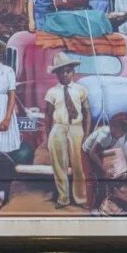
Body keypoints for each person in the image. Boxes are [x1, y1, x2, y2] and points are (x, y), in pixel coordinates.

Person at [45, 53, 90, 209]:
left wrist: (87, 134)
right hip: (58, 127)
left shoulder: (81, 90)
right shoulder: (52, 92)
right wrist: (48, 135)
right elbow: (48, 115)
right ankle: (63, 198)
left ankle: (81, 198)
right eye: (61, 72)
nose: (64, 75)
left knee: (79, 165)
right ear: (56, 74)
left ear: (73, 72)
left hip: (76, 128)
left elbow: (87, 113)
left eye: (68, 71)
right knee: (59, 165)